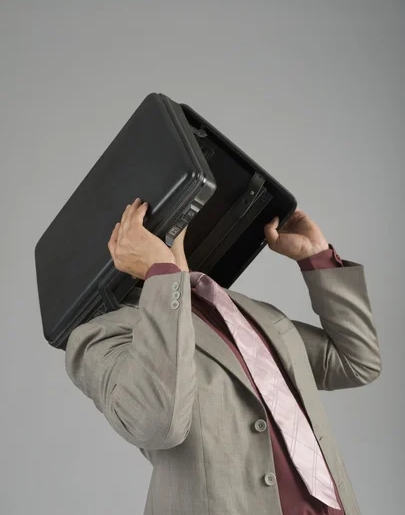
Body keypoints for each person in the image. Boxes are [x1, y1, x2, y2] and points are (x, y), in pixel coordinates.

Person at [65, 197, 381, 515]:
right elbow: (158, 424)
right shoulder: (99, 337)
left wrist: (317, 258)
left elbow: (356, 363)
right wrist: (160, 277)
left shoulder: (248, 311)